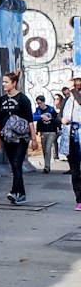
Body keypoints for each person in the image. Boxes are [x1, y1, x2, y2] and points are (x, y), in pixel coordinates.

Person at [0, 71, 33, 205]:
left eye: (6, 82)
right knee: (15, 166)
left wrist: (33, 139)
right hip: (7, 138)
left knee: (17, 164)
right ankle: (21, 194)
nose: (3, 84)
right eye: (3, 81)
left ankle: (14, 191)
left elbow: (30, 120)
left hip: (21, 139)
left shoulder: (23, 99)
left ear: (14, 83)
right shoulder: (1, 100)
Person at [62, 76, 81, 211]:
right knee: (75, 172)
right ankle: (79, 199)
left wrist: (74, 91)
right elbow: (60, 114)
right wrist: (62, 119)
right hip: (71, 139)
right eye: (75, 80)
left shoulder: (75, 96)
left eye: (79, 80)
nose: (76, 82)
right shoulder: (68, 100)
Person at [34, 95, 58, 174]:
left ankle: (47, 166)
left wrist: (59, 128)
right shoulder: (38, 110)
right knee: (44, 149)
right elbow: (33, 117)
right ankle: (46, 165)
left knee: (48, 148)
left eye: (40, 103)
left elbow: (57, 119)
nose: (39, 105)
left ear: (44, 102)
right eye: (38, 103)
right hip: (43, 132)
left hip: (52, 131)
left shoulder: (51, 109)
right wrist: (40, 116)